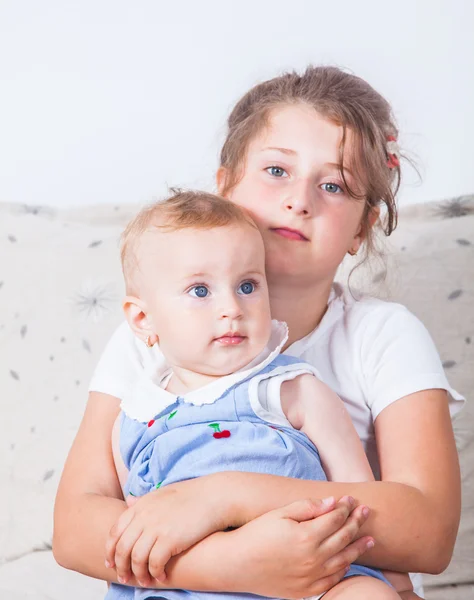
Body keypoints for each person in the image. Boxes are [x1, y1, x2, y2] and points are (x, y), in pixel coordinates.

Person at [53, 66, 463, 599]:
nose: (300, 200)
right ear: (224, 187)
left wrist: (227, 496)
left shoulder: (382, 334)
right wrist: (228, 564)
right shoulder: (153, 336)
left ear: (362, 228)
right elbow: (73, 529)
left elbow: (428, 534)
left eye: (333, 184)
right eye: (276, 171)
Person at [108, 189, 417, 600]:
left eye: (248, 285)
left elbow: (361, 500)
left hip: (316, 584)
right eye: (200, 291)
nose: (232, 307)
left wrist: (398, 587)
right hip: (196, 588)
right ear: (144, 319)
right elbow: (137, 533)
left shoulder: (293, 390)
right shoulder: (134, 418)